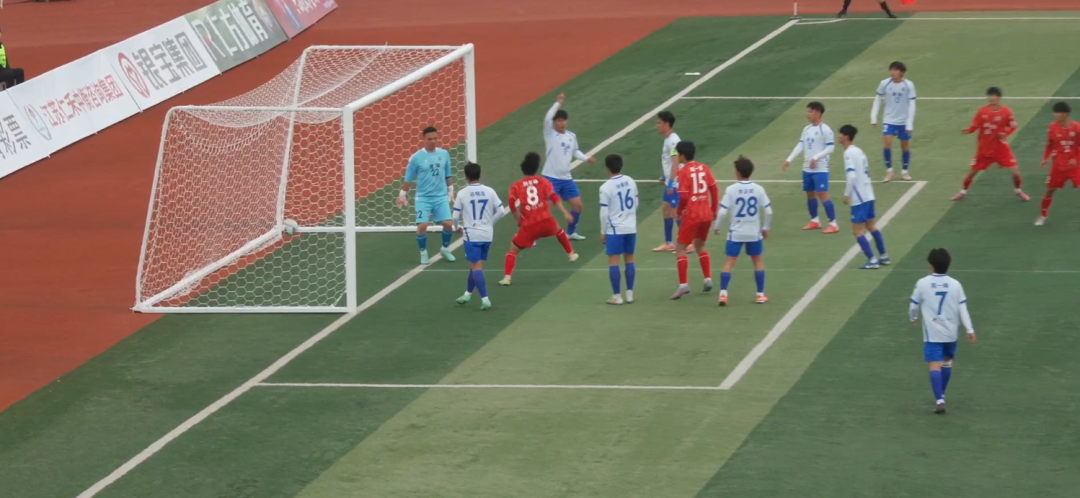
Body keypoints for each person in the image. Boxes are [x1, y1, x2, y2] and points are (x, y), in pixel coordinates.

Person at [910, 248, 977, 415]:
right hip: (951, 332)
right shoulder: (956, 285)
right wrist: (970, 329)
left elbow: (913, 305)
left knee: (934, 364)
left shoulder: (922, 283)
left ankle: (939, 399)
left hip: (933, 333)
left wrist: (913, 318)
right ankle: (942, 394)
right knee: (947, 362)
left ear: (931, 265)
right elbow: (963, 309)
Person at [500, 152, 579, 286]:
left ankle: (507, 277)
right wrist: (565, 213)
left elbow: (512, 204)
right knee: (559, 230)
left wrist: (518, 219)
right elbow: (554, 197)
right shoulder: (544, 181)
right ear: (537, 167)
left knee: (513, 250)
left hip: (529, 225)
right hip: (546, 221)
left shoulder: (517, 185)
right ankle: (571, 253)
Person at [952, 87, 1030, 202]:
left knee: (1016, 172)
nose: (992, 98)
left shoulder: (1007, 112)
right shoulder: (982, 112)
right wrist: (968, 130)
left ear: (999, 98)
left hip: (1001, 149)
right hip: (985, 150)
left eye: (994, 96)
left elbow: (1013, 126)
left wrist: (1006, 133)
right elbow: (975, 126)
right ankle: (963, 192)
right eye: (990, 96)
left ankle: (1018, 191)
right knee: (972, 172)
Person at [713, 156, 772, 306]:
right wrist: (765, 228)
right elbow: (769, 211)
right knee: (757, 261)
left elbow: (722, 212)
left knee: (729, 262)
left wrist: (717, 227)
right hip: (754, 232)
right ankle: (760, 295)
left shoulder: (731, 189)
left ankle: (723, 294)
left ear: (738, 173)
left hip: (736, 233)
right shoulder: (759, 189)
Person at [398, 126, 457, 265]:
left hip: (440, 197)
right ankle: (423, 252)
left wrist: (451, 189)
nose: (433, 141)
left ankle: (445, 249)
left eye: (435, 138)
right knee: (422, 226)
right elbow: (409, 178)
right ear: (423, 139)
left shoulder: (444, 154)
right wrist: (402, 194)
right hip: (423, 199)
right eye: (430, 139)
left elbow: (448, 174)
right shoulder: (416, 158)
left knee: (449, 225)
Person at [453, 163, 507, 310]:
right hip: (487, 234)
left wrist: (457, 228)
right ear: (479, 175)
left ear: (466, 177)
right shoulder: (490, 191)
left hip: (472, 235)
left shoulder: (462, 193)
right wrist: (490, 223)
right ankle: (467, 294)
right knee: (477, 265)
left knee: (476, 266)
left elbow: (455, 216)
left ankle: (485, 299)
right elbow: (501, 211)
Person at [542, 92, 595, 241]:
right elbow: (547, 118)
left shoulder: (572, 136)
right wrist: (558, 103)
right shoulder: (550, 134)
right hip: (550, 178)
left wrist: (586, 158)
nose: (561, 123)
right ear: (555, 122)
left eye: (563, 120)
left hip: (566, 179)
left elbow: (575, 151)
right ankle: (531, 236)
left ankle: (571, 233)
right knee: (543, 211)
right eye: (558, 121)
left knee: (578, 206)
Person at [671, 141, 718, 300]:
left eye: (678, 154)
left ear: (683, 156)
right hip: (706, 214)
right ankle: (707, 279)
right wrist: (714, 209)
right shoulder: (704, 167)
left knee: (680, 248)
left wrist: (679, 210)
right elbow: (714, 188)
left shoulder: (683, 172)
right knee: (700, 245)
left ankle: (683, 285)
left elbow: (684, 196)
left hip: (692, 215)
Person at [839, 125, 891, 269]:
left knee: (857, 231)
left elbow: (852, 176)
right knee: (871, 225)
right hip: (869, 194)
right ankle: (884, 256)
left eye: (841, 134)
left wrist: (847, 194)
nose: (839, 137)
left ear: (846, 136)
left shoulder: (848, 153)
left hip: (859, 197)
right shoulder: (859, 151)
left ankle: (872, 260)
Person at [785, 101, 839, 234]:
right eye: (808, 111)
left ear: (818, 113)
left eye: (810, 111)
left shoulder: (825, 130)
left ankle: (833, 223)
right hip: (807, 168)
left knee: (823, 194)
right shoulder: (806, 129)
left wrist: (816, 157)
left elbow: (831, 148)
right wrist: (789, 159)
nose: (808, 114)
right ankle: (815, 221)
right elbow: (800, 146)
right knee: (810, 194)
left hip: (821, 168)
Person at [599, 154, 638, 305]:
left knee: (614, 262)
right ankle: (630, 294)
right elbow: (636, 203)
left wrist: (603, 231)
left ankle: (617, 296)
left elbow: (604, 213)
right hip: (631, 226)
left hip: (615, 229)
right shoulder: (631, 181)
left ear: (607, 168)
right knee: (630, 259)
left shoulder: (605, 187)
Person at [653, 110, 692, 253]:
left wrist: (670, 182)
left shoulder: (673, 141)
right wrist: (665, 176)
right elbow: (671, 162)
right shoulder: (669, 139)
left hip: (675, 183)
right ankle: (669, 243)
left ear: (667, 124)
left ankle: (688, 243)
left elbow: (676, 161)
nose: (657, 125)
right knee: (667, 210)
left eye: (659, 123)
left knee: (676, 212)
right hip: (671, 180)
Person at [1036, 101, 1080, 226]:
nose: (1055, 115)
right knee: (1050, 190)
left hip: (1074, 166)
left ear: (1066, 114)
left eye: (1058, 112)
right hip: (1058, 167)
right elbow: (1049, 145)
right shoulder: (1052, 127)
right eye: (1055, 112)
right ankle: (1043, 215)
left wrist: (1076, 159)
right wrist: (1045, 158)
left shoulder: (1077, 128)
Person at [871, 61, 916, 182]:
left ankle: (905, 171)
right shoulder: (884, 83)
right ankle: (890, 171)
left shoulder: (909, 85)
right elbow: (877, 99)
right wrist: (873, 117)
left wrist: (910, 123)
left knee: (905, 146)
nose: (892, 72)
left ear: (902, 72)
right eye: (891, 70)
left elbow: (912, 104)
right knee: (887, 143)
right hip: (889, 120)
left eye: (895, 70)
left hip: (904, 121)